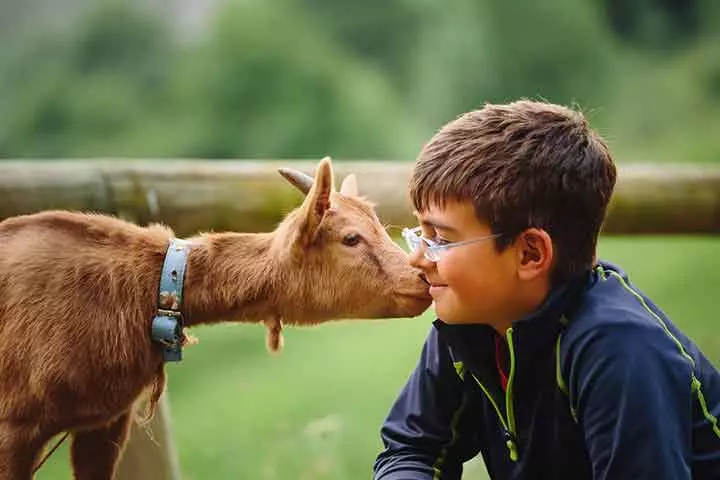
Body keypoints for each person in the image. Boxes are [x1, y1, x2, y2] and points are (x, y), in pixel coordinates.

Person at [372, 100, 720, 479]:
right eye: (418, 234)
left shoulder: (619, 349)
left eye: (440, 238)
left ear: (530, 254)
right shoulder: (471, 324)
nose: (417, 259)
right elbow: (411, 451)